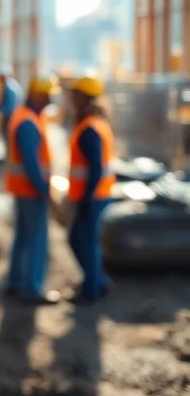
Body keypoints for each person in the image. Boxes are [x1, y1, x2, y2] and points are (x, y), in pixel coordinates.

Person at [4, 73, 62, 305]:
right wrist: (44, 190)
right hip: (30, 190)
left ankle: (15, 282)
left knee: (22, 237)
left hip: (22, 189)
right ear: (37, 95)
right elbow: (31, 163)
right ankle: (33, 288)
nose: (50, 101)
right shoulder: (27, 121)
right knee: (37, 240)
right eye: (47, 96)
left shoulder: (26, 116)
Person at [65, 75, 115, 303]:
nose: (71, 99)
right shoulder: (97, 122)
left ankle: (92, 290)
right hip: (98, 195)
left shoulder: (90, 128)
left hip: (93, 197)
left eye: (75, 95)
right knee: (80, 239)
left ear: (84, 97)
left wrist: (86, 198)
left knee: (84, 241)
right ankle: (97, 283)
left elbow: (95, 167)